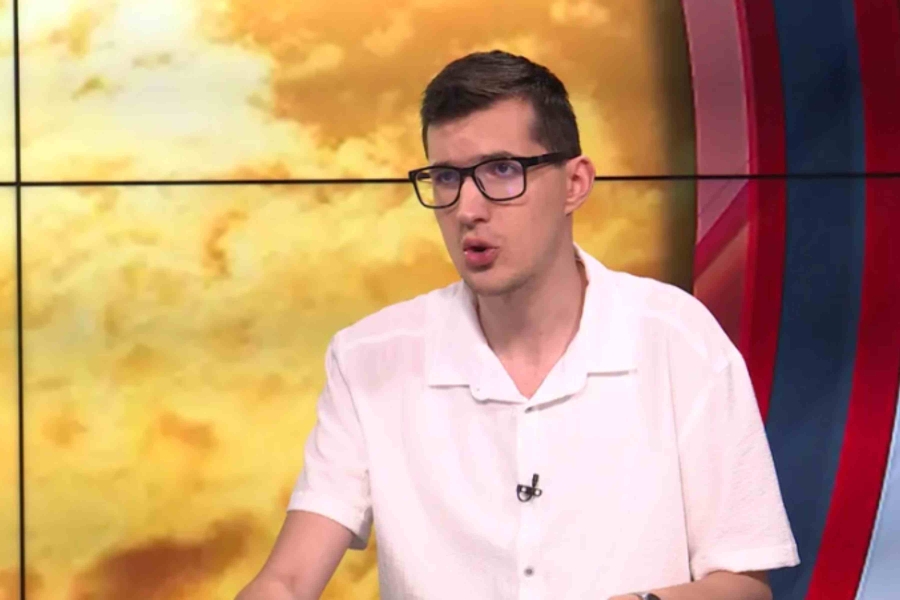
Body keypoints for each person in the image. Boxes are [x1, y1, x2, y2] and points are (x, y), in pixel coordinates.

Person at [236, 50, 799, 600]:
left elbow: (743, 585)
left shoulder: (677, 338)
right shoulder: (369, 358)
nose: (467, 209)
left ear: (575, 183)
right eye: (447, 177)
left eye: (502, 171)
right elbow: (288, 581)